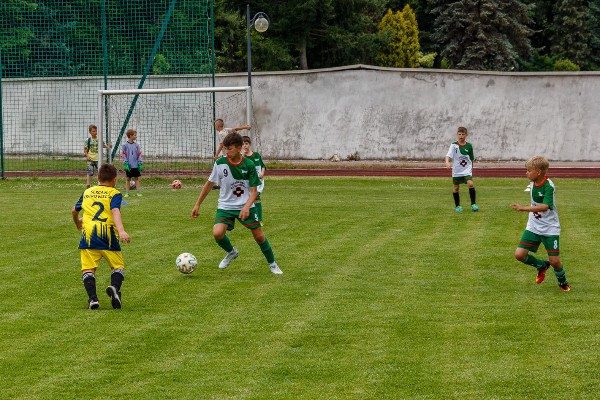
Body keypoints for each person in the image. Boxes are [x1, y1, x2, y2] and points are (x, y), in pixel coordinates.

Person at [192, 132, 283, 275]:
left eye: (230, 149)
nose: (227, 152)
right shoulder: (220, 163)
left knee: (259, 236)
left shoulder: (249, 164)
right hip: (225, 206)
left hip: (245, 205)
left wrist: (247, 206)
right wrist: (197, 204)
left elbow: (254, 191)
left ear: (239, 148)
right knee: (217, 233)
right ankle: (231, 252)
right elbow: (209, 183)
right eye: (225, 149)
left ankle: (272, 264)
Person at [72, 163, 131, 309]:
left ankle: (93, 299)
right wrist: (122, 231)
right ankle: (115, 288)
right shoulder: (114, 193)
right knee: (117, 267)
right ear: (115, 180)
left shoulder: (88, 192)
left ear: (98, 178)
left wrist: (77, 223)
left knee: (88, 269)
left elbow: (74, 210)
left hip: (89, 236)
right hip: (108, 236)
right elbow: (115, 210)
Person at [511, 156, 570, 291]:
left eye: (528, 170)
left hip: (550, 228)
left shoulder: (549, 186)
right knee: (519, 255)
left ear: (538, 172)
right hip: (533, 226)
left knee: (555, 261)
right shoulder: (533, 182)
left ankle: (562, 281)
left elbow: (545, 206)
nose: (526, 173)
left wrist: (523, 208)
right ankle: (541, 265)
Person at [445, 126, 478, 212]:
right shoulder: (454, 145)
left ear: (466, 135)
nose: (461, 136)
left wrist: (471, 169)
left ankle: (473, 204)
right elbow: (448, 155)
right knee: (456, 188)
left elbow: (471, 159)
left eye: (463, 134)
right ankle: (457, 206)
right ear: (457, 134)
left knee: (470, 184)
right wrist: (447, 162)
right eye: (459, 134)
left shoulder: (469, 146)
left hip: (467, 170)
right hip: (457, 170)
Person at [242, 135, 266, 223]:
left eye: (246, 143)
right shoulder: (242, 158)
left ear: (249, 144)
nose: (245, 146)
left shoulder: (256, 155)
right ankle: (249, 216)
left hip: (257, 182)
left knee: (256, 198)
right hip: (247, 182)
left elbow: (263, 166)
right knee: (248, 200)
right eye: (243, 144)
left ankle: (259, 220)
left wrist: (262, 173)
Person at [83, 124, 112, 188]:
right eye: (93, 131)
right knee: (89, 172)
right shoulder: (88, 140)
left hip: (98, 159)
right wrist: (87, 156)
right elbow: (85, 150)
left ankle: (100, 184)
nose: (95, 132)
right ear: (90, 132)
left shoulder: (99, 139)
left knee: (100, 172)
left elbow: (103, 145)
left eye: (96, 131)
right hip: (90, 159)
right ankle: (88, 185)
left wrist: (108, 146)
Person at [121, 128, 143, 197]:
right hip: (129, 165)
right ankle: (127, 192)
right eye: (135, 135)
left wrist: (139, 162)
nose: (136, 136)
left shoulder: (137, 145)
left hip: (135, 165)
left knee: (136, 178)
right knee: (128, 179)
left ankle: (138, 192)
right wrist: (126, 163)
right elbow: (124, 154)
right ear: (130, 136)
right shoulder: (125, 145)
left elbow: (139, 154)